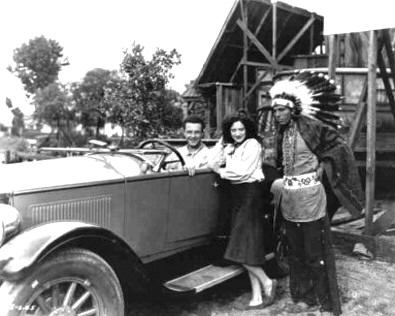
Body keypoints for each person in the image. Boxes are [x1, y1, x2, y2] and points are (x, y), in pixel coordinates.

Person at [269, 71, 364, 315]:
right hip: (291, 200)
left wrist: (325, 166)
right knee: (296, 251)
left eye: (281, 110)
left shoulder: (311, 127)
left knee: (314, 252)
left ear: (292, 109)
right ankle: (305, 296)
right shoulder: (283, 133)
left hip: (311, 199)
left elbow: (339, 146)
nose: (277, 114)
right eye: (275, 110)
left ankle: (323, 299)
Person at [208, 111, 277, 310]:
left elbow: (242, 172)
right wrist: (222, 142)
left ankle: (267, 282)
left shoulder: (253, 144)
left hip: (250, 195)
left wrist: (221, 171)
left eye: (241, 129)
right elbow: (211, 161)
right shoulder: (232, 146)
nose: (238, 133)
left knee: (238, 248)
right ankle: (256, 297)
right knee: (249, 247)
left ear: (248, 129)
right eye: (233, 130)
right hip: (238, 196)